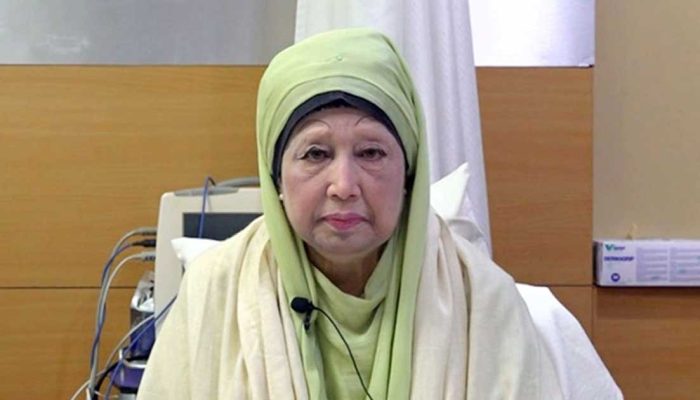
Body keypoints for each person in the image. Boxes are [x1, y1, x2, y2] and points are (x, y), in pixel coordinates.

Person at [138, 28, 608, 399]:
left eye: (371, 153)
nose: (344, 186)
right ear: (276, 177)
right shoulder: (214, 293)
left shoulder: (483, 301)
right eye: (315, 154)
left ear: (409, 174)